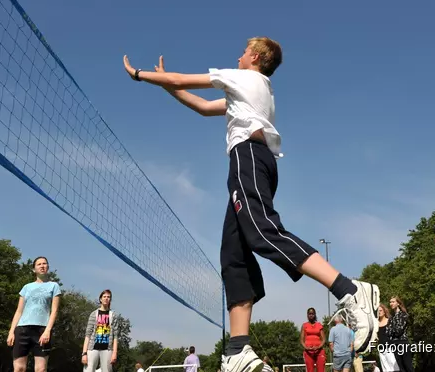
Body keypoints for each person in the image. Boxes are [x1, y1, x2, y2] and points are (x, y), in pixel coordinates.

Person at [122, 38, 380, 372]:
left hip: (249, 159)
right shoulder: (247, 92)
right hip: (251, 163)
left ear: (255, 57)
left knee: (262, 232)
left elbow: (181, 79)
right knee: (233, 254)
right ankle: (237, 351)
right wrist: (167, 85)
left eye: (243, 51)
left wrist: (141, 75)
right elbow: (201, 106)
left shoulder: (245, 77)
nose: (238, 55)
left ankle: (351, 290)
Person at [7, 256, 62, 372]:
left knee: (41, 369)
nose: (42, 266)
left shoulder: (54, 286)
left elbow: (54, 311)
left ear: (48, 267)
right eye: (39, 264)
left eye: (44, 263)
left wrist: (47, 331)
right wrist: (11, 332)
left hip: (42, 330)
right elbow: (19, 311)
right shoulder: (26, 287)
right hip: (22, 329)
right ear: (34, 269)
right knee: (19, 368)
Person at [82, 289, 119, 372]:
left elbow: (115, 336)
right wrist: (84, 353)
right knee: (89, 370)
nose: (106, 298)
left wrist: (114, 353)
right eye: (104, 296)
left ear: (110, 300)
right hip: (92, 348)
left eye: (108, 297)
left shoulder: (113, 315)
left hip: (107, 349)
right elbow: (88, 335)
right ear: (100, 299)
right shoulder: (94, 314)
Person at [386, 297, 412, 372]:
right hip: (394, 343)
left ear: (398, 303)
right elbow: (387, 332)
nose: (391, 304)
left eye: (393, 302)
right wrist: (392, 330)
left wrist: (392, 330)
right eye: (390, 302)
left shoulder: (404, 315)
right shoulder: (391, 317)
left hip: (403, 343)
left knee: (408, 366)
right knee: (401, 368)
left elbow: (398, 331)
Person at [301, 308, 326, 372]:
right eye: (309, 314)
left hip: (319, 351)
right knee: (310, 370)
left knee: (321, 370)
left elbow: (323, 339)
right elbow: (301, 340)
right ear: (307, 315)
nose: (311, 315)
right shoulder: (304, 325)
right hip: (308, 352)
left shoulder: (319, 325)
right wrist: (306, 348)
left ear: (315, 315)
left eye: (312, 314)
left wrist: (318, 347)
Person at [375, 304, 398, 372]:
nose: (379, 312)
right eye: (377, 311)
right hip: (381, 348)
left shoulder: (390, 321)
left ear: (384, 311)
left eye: (381, 310)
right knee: (385, 369)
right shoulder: (376, 324)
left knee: (394, 368)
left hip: (390, 348)